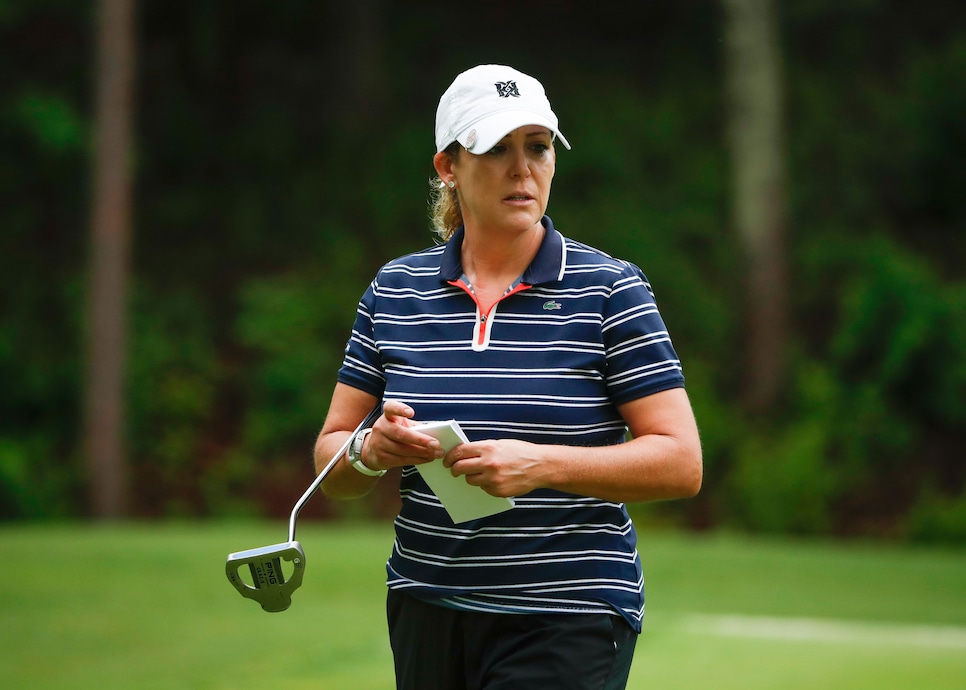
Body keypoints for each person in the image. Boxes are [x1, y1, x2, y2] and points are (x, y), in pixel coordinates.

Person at [314, 64, 702, 690]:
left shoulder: (611, 290)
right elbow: (331, 463)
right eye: (496, 149)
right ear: (448, 166)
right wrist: (370, 451)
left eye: (538, 147)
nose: (522, 168)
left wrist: (543, 465)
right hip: (427, 604)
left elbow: (681, 463)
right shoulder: (396, 289)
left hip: (567, 612)